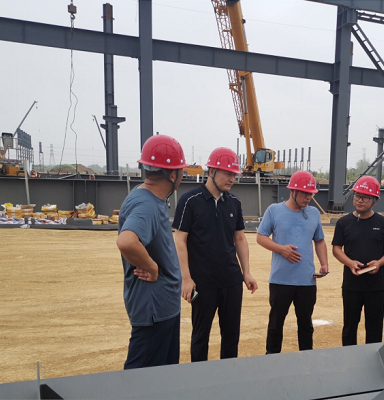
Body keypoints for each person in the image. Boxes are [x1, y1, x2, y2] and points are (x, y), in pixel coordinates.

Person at [173, 147, 257, 362]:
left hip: (231, 281)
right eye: (228, 173)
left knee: (231, 336)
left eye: (234, 174)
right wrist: (186, 278)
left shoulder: (234, 202)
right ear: (212, 171)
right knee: (200, 336)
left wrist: (246, 273)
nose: (232, 179)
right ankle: (199, 378)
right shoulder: (190, 201)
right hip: (202, 283)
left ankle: (229, 378)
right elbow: (180, 240)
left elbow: (240, 239)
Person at [116, 134, 186, 369]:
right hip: (154, 309)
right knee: (140, 379)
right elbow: (127, 241)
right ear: (172, 175)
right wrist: (152, 268)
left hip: (161, 307)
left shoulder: (146, 195)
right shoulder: (147, 205)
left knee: (163, 376)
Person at [256, 170, 329, 354]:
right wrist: (281, 249)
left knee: (306, 325)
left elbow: (319, 240)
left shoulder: (314, 213)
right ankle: (272, 359)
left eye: (311, 194)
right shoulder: (274, 211)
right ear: (292, 191)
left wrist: (324, 263)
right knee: (276, 324)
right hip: (281, 280)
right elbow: (260, 237)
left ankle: (306, 359)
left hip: (307, 280)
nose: (308, 197)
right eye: (304, 193)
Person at [332, 176, 384, 346]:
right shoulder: (344, 223)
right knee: (349, 326)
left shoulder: (383, 223)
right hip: (351, 285)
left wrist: (379, 262)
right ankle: (349, 356)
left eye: (365, 197)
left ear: (375, 200)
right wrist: (349, 263)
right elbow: (336, 248)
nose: (360, 200)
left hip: (376, 286)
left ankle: (372, 357)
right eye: (357, 196)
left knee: (374, 327)